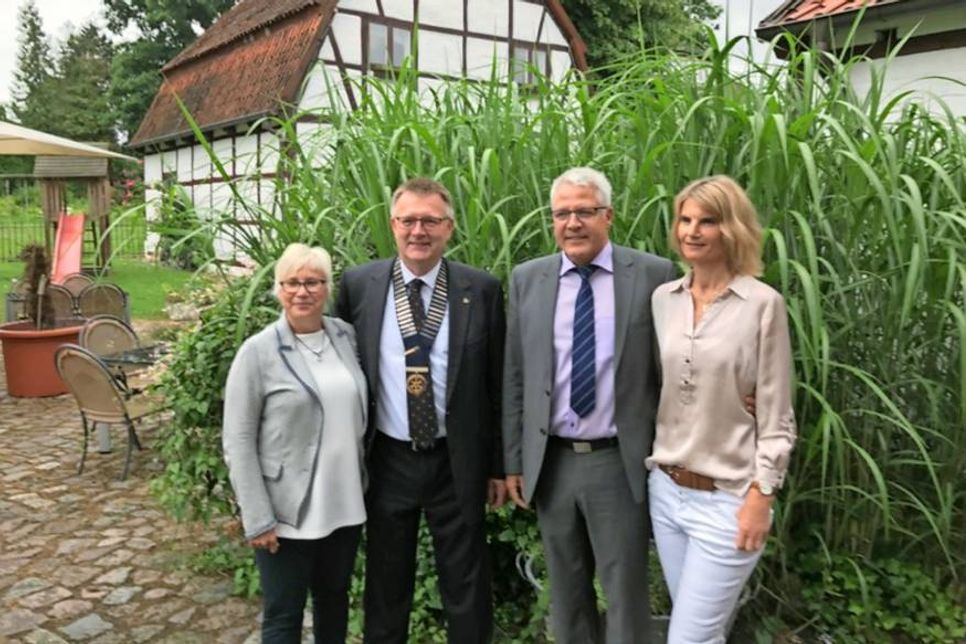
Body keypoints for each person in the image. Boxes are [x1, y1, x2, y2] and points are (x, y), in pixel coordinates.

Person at [503, 167, 675, 643]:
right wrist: (515, 460)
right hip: (553, 462)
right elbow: (515, 376)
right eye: (562, 213)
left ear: (609, 216)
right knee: (566, 593)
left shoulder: (653, 275)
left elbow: (671, 372)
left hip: (618, 462)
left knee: (625, 592)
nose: (572, 223)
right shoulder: (528, 279)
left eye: (584, 211)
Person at [334, 177, 506, 644]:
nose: (418, 231)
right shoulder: (358, 286)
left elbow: (497, 385)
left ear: (449, 228)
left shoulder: (482, 289)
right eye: (408, 220)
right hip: (388, 457)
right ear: (393, 225)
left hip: (457, 461)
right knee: (386, 583)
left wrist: (497, 466)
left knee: (466, 583)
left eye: (430, 221)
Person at [647, 175, 797, 643]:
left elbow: (777, 413)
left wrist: (762, 494)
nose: (692, 231)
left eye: (707, 221)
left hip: (730, 499)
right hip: (667, 492)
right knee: (701, 633)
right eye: (685, 220)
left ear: (731, 229)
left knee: (688, 638)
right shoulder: (662, 300)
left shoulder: (762, 305)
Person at [222, 243, 368, 643]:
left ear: (327, 287)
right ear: (278, 289)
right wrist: (257, 515)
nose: (302, 291)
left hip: (345, 502)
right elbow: (237, 438)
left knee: (334, 601)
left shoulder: (345, 337)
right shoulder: (257, 352)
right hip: (285, 511)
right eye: (292, 283)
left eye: (313, 282)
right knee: (284, 616)